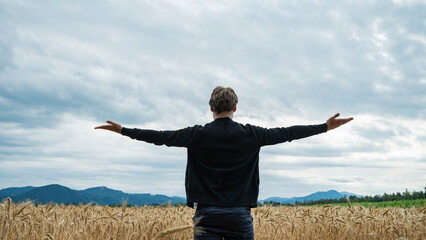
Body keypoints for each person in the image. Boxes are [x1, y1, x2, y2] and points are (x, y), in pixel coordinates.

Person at [95, 86, 353, 240]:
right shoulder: (252, 135)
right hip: (240, 215)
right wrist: (324, 127)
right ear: (235, 108)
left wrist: (124, 130)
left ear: (211, 108)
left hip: (206, 215)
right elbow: (287, 133)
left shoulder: (197, 135)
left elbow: (160, 137)